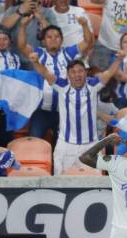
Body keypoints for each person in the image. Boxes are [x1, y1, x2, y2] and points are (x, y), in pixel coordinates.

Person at [29, 50, 125, 175]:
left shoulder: (93, 85)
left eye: (80, 71)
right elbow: (45, 72)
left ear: (86, 73)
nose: (77, 75)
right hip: (65, 145)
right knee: (60, 183)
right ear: (68, 75)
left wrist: (119, 59)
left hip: (90, 145)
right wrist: (36, 62)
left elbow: (109, 72)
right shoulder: (62, 86)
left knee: (94, 185)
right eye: (73, 72)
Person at [18, 15, 92, 145]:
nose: (53, 39)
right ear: (43, 41)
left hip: (64, 109)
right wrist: (23, 26)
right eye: (49, 37)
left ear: (62, 40)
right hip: (41, 110)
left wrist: (85, 25)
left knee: (64, 144)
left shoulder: (68, 53)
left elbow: (87, 42)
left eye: (56, 37)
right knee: (35, 143)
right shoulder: (39, 53)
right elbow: (22, 45)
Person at [1, 0, 57, 69]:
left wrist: (41, 18)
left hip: (38, 61)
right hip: (14, 60)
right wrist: (19, 12)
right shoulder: (13, 9)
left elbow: (55, 37)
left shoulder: (48, 12)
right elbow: (2, 29)